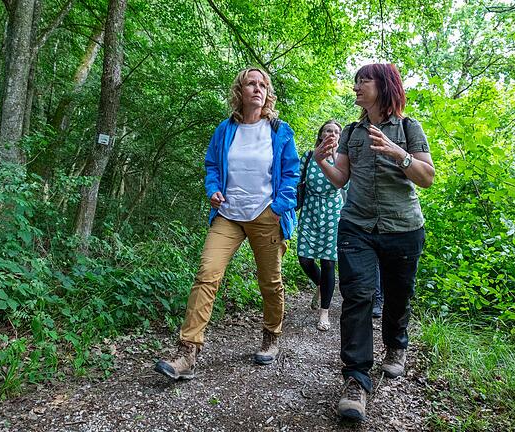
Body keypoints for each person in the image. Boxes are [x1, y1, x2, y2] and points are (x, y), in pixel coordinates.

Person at [154, 67, 299, 381]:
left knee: (270, 281)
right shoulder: (225, 130)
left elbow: (291, 173)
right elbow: (211, 166)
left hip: (266, 215)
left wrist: (279, 207)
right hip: (228, 215)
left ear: (267, 92)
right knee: (207, 273)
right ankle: (187, 352)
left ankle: (272, 335)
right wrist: (213, 189)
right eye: (251, 84)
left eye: (262, 85)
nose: (257, 89)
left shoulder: (279, 130)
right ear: (240, 91)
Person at [314, 63, 435, 421]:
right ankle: (356, 379)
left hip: (403, 228)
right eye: (356, 81)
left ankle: (396, 345)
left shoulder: (409, 127)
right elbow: (340, 179)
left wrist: (399, 154)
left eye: (363, 81)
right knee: (358, 297)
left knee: (398, 296)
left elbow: (426, 177)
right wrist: (323, 161)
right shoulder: (352, 132)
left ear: (384, 86)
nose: (356, 87)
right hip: (357, 227)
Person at [297, 120, 345, 332]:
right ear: (320, 134)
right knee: (305, 259)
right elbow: (296, 179)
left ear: (340, 137)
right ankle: (319, 284)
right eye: (328, 130)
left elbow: (346, 184)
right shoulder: (308, 156)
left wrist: (335, 158)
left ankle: (324, 312)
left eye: (336, 131)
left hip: (333, 212)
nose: (331, 134)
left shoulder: (343, 159)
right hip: (310, 209)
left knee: (328, 263)